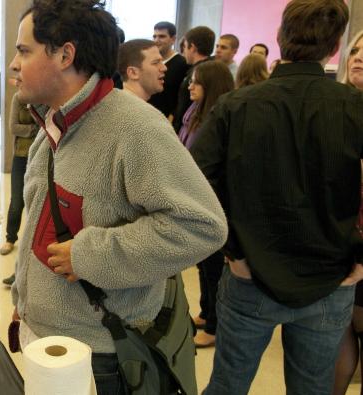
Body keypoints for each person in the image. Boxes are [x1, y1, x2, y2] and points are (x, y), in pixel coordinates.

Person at [8, 1, 228, 393]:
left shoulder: (134, 128)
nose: (13, 63)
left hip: (100, 357)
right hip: (43, 336)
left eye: (24, 51)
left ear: (65, 54)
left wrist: (90, 255)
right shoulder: (52, 123)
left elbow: (202, 226)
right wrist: (25, 296)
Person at [190, 1, 363, 393]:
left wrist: (232, 249)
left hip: (254, 273)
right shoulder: (354, 108)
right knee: (310, 388)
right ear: (335, 46)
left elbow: (196, 183)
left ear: (281, 38)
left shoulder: (237, 105)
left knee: (228, 384)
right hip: (328, 277)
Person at [176, 60, 234, 348]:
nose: (190, 86)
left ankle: (214, 325)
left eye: (196, 82)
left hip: (213, 202)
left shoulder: (218, 119)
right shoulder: (192, 113)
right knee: (202, 265)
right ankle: (205, 311)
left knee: (213, 269)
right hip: (194, 197)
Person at [333, 29, 363, 395]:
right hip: (338, 240)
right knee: (337, 332)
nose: (358, 57)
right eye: (355, 50)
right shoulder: (336, 106)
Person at [0, 92, 39, 286]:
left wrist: (31, 129)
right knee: (16, 202)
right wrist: (35, 129)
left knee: (35, 208)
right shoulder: (18, 98)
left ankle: (29, 249)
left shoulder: (46, 97)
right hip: (21, 156)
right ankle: (10, 238)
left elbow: (49, 127)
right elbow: (13, 127)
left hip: (40, 156)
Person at [172, 26, 215, 133]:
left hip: (191, 128)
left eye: (185, 47)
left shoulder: (200, 72)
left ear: (192, 47)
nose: (184, 52)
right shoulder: (212, 68)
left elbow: (188, 103)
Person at [148, 21, 190, 118]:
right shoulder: (149, 61)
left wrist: (173, 115)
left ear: (173, 39)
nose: (156, 40)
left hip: (166, 120)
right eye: (154, 36)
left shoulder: (182, 64)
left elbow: (183, 96)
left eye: (162, 36)